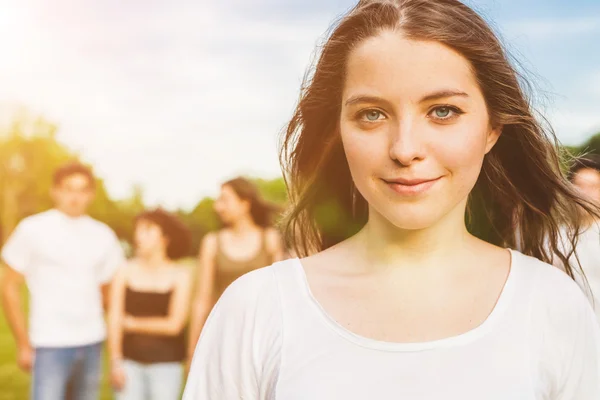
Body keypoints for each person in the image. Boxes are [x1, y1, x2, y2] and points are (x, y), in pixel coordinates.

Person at [184, 0, 600, 398]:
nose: (404, 149)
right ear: (338, 132)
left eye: (442, 111)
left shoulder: (552, 305)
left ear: (492, 128)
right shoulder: (256, 309)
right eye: (372, 114)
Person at [1, 161, 125, 400]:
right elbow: (9, 287)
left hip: (91, 341)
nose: (75, 197)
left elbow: (109, 294)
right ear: (55, 191)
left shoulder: (103, 235)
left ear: (91, 194)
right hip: (49, 343)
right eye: (68, 189)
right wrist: (23, 343)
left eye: (81, 190)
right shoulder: (33, 229)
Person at [187, 177, 285, 360]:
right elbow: (202, 299)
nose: (218, 207)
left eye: (224, 200)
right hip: (224, 336)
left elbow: (279, 295)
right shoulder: (212, 242)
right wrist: (192, 351)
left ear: (244, 204)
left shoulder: (270, 239)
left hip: (263, 336)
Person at [108, 208, 192, 400]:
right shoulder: (124, 271)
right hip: (129, 364)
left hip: (166, 366)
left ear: (165, 238)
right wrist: (115, 362)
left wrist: (131, 324)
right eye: (137, 230)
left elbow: (174, 325)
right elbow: (114, 319)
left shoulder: (180, 275)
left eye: (147, 230)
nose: (138, 236)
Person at [554, 155, 600, 321]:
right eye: (580, 186)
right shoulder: (555, 237)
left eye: (592, 187)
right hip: (569, 328)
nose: (585, 194)